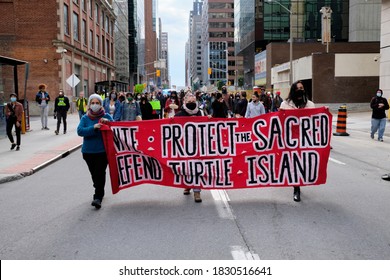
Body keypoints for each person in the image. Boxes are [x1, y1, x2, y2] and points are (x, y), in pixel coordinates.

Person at [280, 81, 315, 202]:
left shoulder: (310, 104)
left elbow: (315, 121)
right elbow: (280, 122)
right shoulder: (285, 104)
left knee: (303, 164)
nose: (300, 90)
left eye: (302, 88)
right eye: (298, 88)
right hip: (290, 140)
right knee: (294, 164)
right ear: (293, 90)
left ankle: (299, 183)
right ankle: (296, 188)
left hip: (305, 139)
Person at [77, 94, 113, 209]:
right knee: (94, 174)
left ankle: (98, 197)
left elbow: (115, 128)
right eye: (93, 103)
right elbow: (80, 131)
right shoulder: (85, 117)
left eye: (97, 103)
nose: (95, 105)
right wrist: (93, 128)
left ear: (101, 104)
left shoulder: (106, 116)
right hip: (88, 152)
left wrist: (108, 122)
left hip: (102, 152)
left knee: (100, 173)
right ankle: (98, 186)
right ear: (89, 105)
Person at [174, 93, 203, 203]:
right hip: (184, 146)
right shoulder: (180, 114)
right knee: (186, 167)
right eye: (189, 102)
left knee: (197, 167)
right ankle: (187, 185)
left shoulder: (200, 113)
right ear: (184, 102)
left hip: (198, 146)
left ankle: (197, 191)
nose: (191, 104)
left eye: (193, 102)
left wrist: (208, 119)